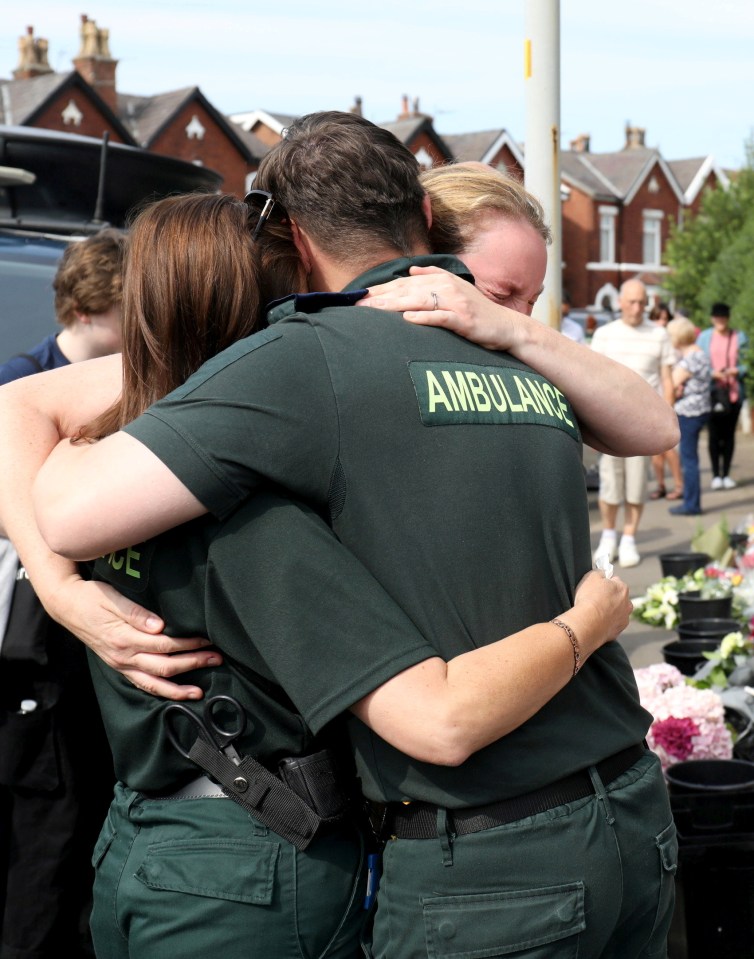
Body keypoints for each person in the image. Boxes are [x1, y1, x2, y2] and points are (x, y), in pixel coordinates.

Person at [15, 115, 680, 959]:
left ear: (292, 232)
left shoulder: (303, 360)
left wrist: (65, 584)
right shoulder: (525, 359)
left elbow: (66, 505)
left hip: (486, 854)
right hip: (626, 807)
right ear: (424, 221)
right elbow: (652, 423)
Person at [0, 227, 124, 959]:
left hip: (85, 659)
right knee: (44, 843)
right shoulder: (25, 384)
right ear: (89, 306)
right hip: (35, 660)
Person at [591, 278, 676, 568]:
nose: (637, 307)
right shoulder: (604, 334)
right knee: (610, 482)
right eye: (631, 302)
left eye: (642, 302)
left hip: (644, 423)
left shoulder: (659, 334)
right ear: (620, 302)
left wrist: (668, 415)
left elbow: (667, 379)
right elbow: (592, 379)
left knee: (637, 484)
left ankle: (629, 537)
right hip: (609, 422)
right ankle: (609, 536)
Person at [697, 301, 749, 490]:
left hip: (733, 394)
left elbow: (747, 362)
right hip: (712, 393)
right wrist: (712, 373)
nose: (720, 320)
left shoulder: (739, 337)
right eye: (717, 317)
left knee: (729, 436)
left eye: (723, 317)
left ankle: (726, 473)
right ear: (712, 318)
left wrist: (737, 370)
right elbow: (698, 362)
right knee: (713, 435)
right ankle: (715, 474)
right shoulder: (704, 338)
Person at [666, 316, 712, 516]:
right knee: (690, 458)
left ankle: (691, 504)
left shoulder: (690, 358)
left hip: (690, 413)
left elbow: (672, 382)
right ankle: (691, 501)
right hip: (699, 410)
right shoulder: (699, 353)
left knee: (689, 460)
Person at [648, 304, 684, 501]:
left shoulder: (672, 344)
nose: (661, 323)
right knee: (654, 449)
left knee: (669, 448)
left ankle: (679, 485)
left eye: (664, 319)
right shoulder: (651, 340)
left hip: (667, 398)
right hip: (651, 399)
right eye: (657, 318)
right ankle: (660, 484)